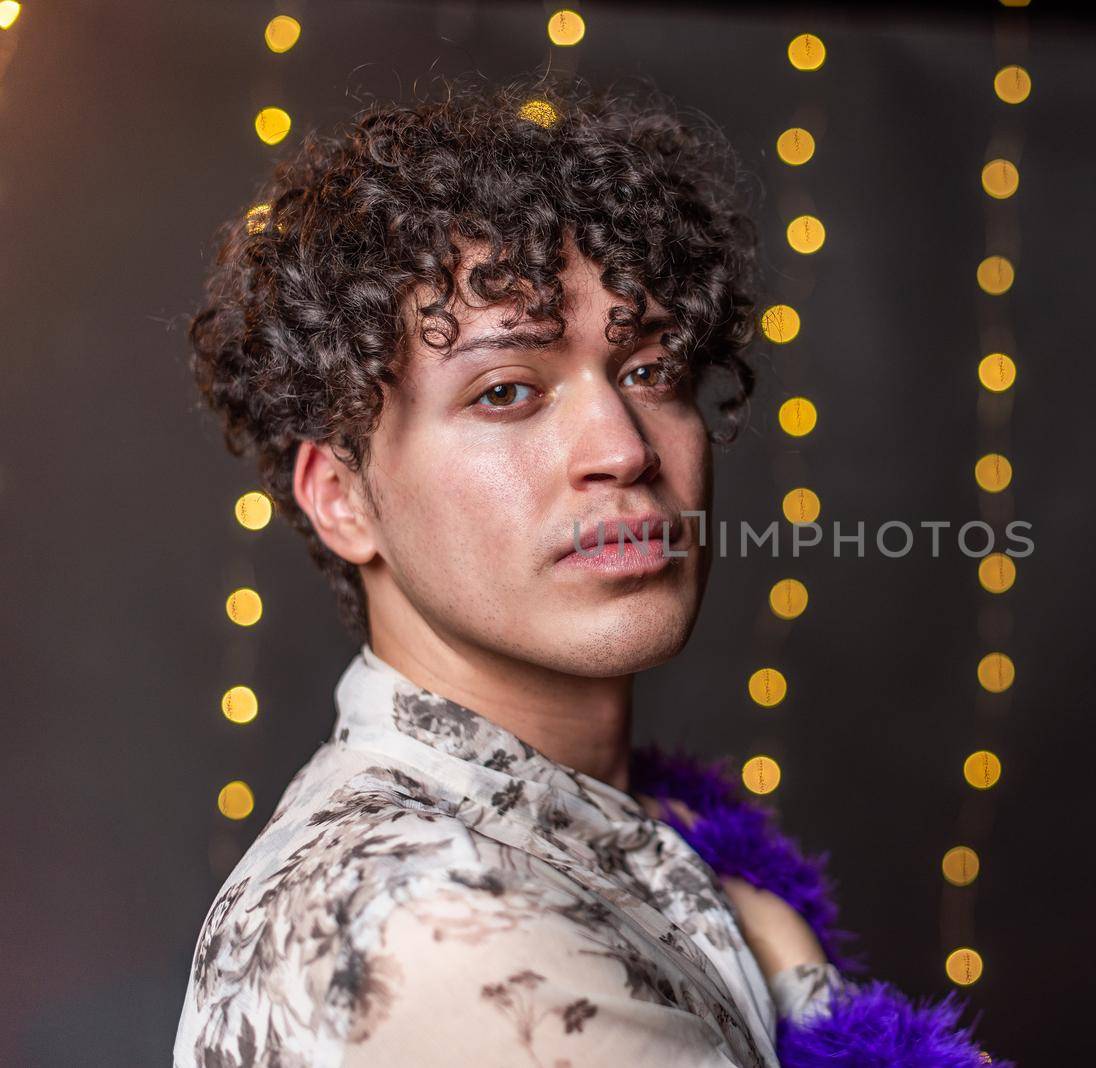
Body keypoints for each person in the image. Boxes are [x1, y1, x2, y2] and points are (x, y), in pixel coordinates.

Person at [174, 72, 1004, 1067]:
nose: (621, 447)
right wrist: (807, 990)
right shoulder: (448, 931)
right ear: (342, 496)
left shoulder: (636, 832)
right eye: (507, 389)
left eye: (651, 370)